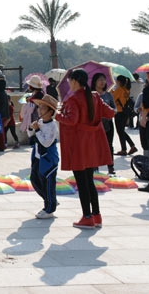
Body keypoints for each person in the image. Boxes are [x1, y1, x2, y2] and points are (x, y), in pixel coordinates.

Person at [56, 69, 115, 229]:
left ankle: (87, 217)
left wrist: (58, 115)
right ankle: (96, 216)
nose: (69, 83)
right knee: (89, 181)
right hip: (92, 145)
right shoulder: (95, 96)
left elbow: (72, 120)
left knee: (82, 182)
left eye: (70, 81)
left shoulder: (73, 99)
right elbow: (111, 113)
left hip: (78, 145)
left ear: (75, 81)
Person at [27, 94, 59, 219]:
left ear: (50, 111)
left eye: (43, 108)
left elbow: (46, 142)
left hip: (48, 159)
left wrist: (37, 130)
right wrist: (31, 128)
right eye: (39, 107)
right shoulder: (40, 122)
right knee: (35, 180)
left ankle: (50, 208)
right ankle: (50, 200)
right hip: (37, 157)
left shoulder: (53, 126)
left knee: (48, 183)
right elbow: (30, 135)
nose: (40, 110)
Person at [92, 72, 116, 176]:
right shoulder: (91, 95)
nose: (102, 82)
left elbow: (114, 108)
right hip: (96, 126)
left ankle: (110, 167)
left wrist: (109, 112)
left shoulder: (108, 95)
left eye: (104, 79)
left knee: (109, 146)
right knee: (95, 147)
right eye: (100, 79)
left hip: (108, 124)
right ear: (95, 82)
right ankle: (95, 167)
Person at [111, 75, 138, 156]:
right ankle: (132, 146)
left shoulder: (119, 89)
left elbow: (113, 98)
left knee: (120, 131)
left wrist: (110, 91)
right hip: (124, 112)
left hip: (119, 112)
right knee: (121, 131)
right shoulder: (126, 89)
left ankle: (124, 149)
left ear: (119, 81)